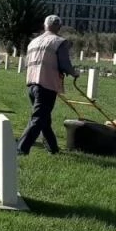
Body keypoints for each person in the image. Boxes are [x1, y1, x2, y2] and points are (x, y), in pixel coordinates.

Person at [17, 15, 79, 155]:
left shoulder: (33, 42)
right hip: (46, 85)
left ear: (45, 26)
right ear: (59, 27)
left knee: (44, 119)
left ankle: (53, 148)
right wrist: (74, 73)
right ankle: (21, 149)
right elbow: (64, 64)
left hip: (32, 84)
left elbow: (27, 63)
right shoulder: (59, 42)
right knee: (38, 119)